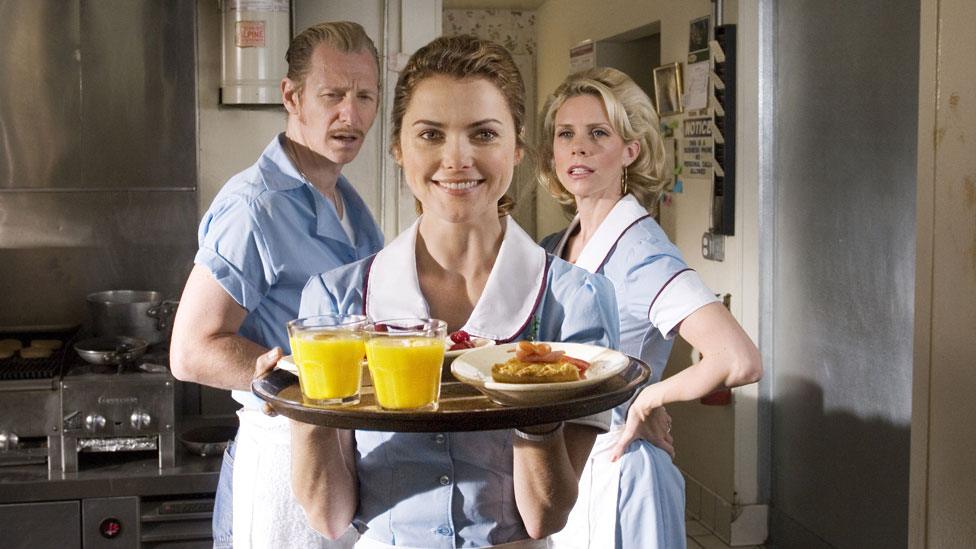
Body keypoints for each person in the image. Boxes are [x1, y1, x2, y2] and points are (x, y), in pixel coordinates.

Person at [255, 35, 620, 549]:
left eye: (484, 134)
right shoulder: (335, 301)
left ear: (517, 147)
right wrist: (303, 411)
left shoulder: (576, 301)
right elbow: (329, 515)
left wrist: (535, 403)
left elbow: (545, 515)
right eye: (430, 134)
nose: (457, 159)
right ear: (399, 148)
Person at [169, 21, 384, 549]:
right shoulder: (254, 206)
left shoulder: (347, 201)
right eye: (332, 95)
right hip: (282, 461)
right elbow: (191, 350)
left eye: (365, 97)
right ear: (291, 95)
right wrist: (298, 381)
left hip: (340, 463)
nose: (350, 116)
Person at [537, 67, 763, 549]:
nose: (578, 147)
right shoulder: (562, 244)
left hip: (619, 474)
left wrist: (646, 400)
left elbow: (739, 359)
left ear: (630, 150)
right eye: (566, 134)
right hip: (569, 470)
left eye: (598, 133)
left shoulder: (642, 252)